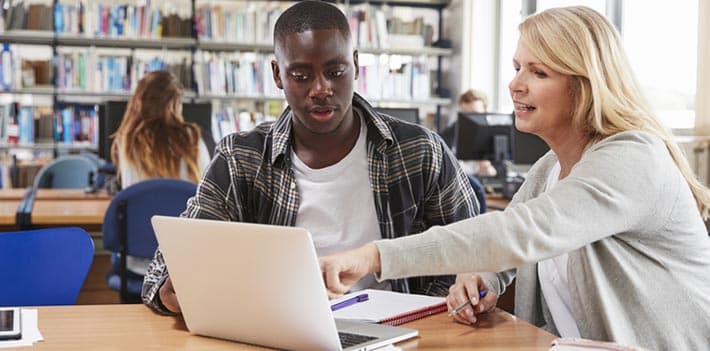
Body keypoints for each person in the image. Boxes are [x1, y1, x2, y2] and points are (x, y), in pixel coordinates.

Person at [319, 6, 710, 350]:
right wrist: (481, 278)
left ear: (587, 86)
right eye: (517, 67)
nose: (516, 84)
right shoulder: (549, 169)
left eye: (538, 72)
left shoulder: (633, 158)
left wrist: (374, 256)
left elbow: (519, 232)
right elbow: (506, 252)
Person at [141, 0, 479, 315]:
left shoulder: (420, 151)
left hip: (400, 330)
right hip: (276, 328)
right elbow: (162, 270)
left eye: (335, 72)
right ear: (277, 75)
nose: (320, 89)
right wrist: (176, 289)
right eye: (301, 76)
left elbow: (474, 248)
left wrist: (423, 310)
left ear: (357, 65)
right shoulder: (240, 158)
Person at [111, 70, 211, 276]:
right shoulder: (193, 139)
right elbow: (208, 196)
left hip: (136, 263)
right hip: (184, 262)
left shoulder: (126, 142)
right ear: (175, 104)